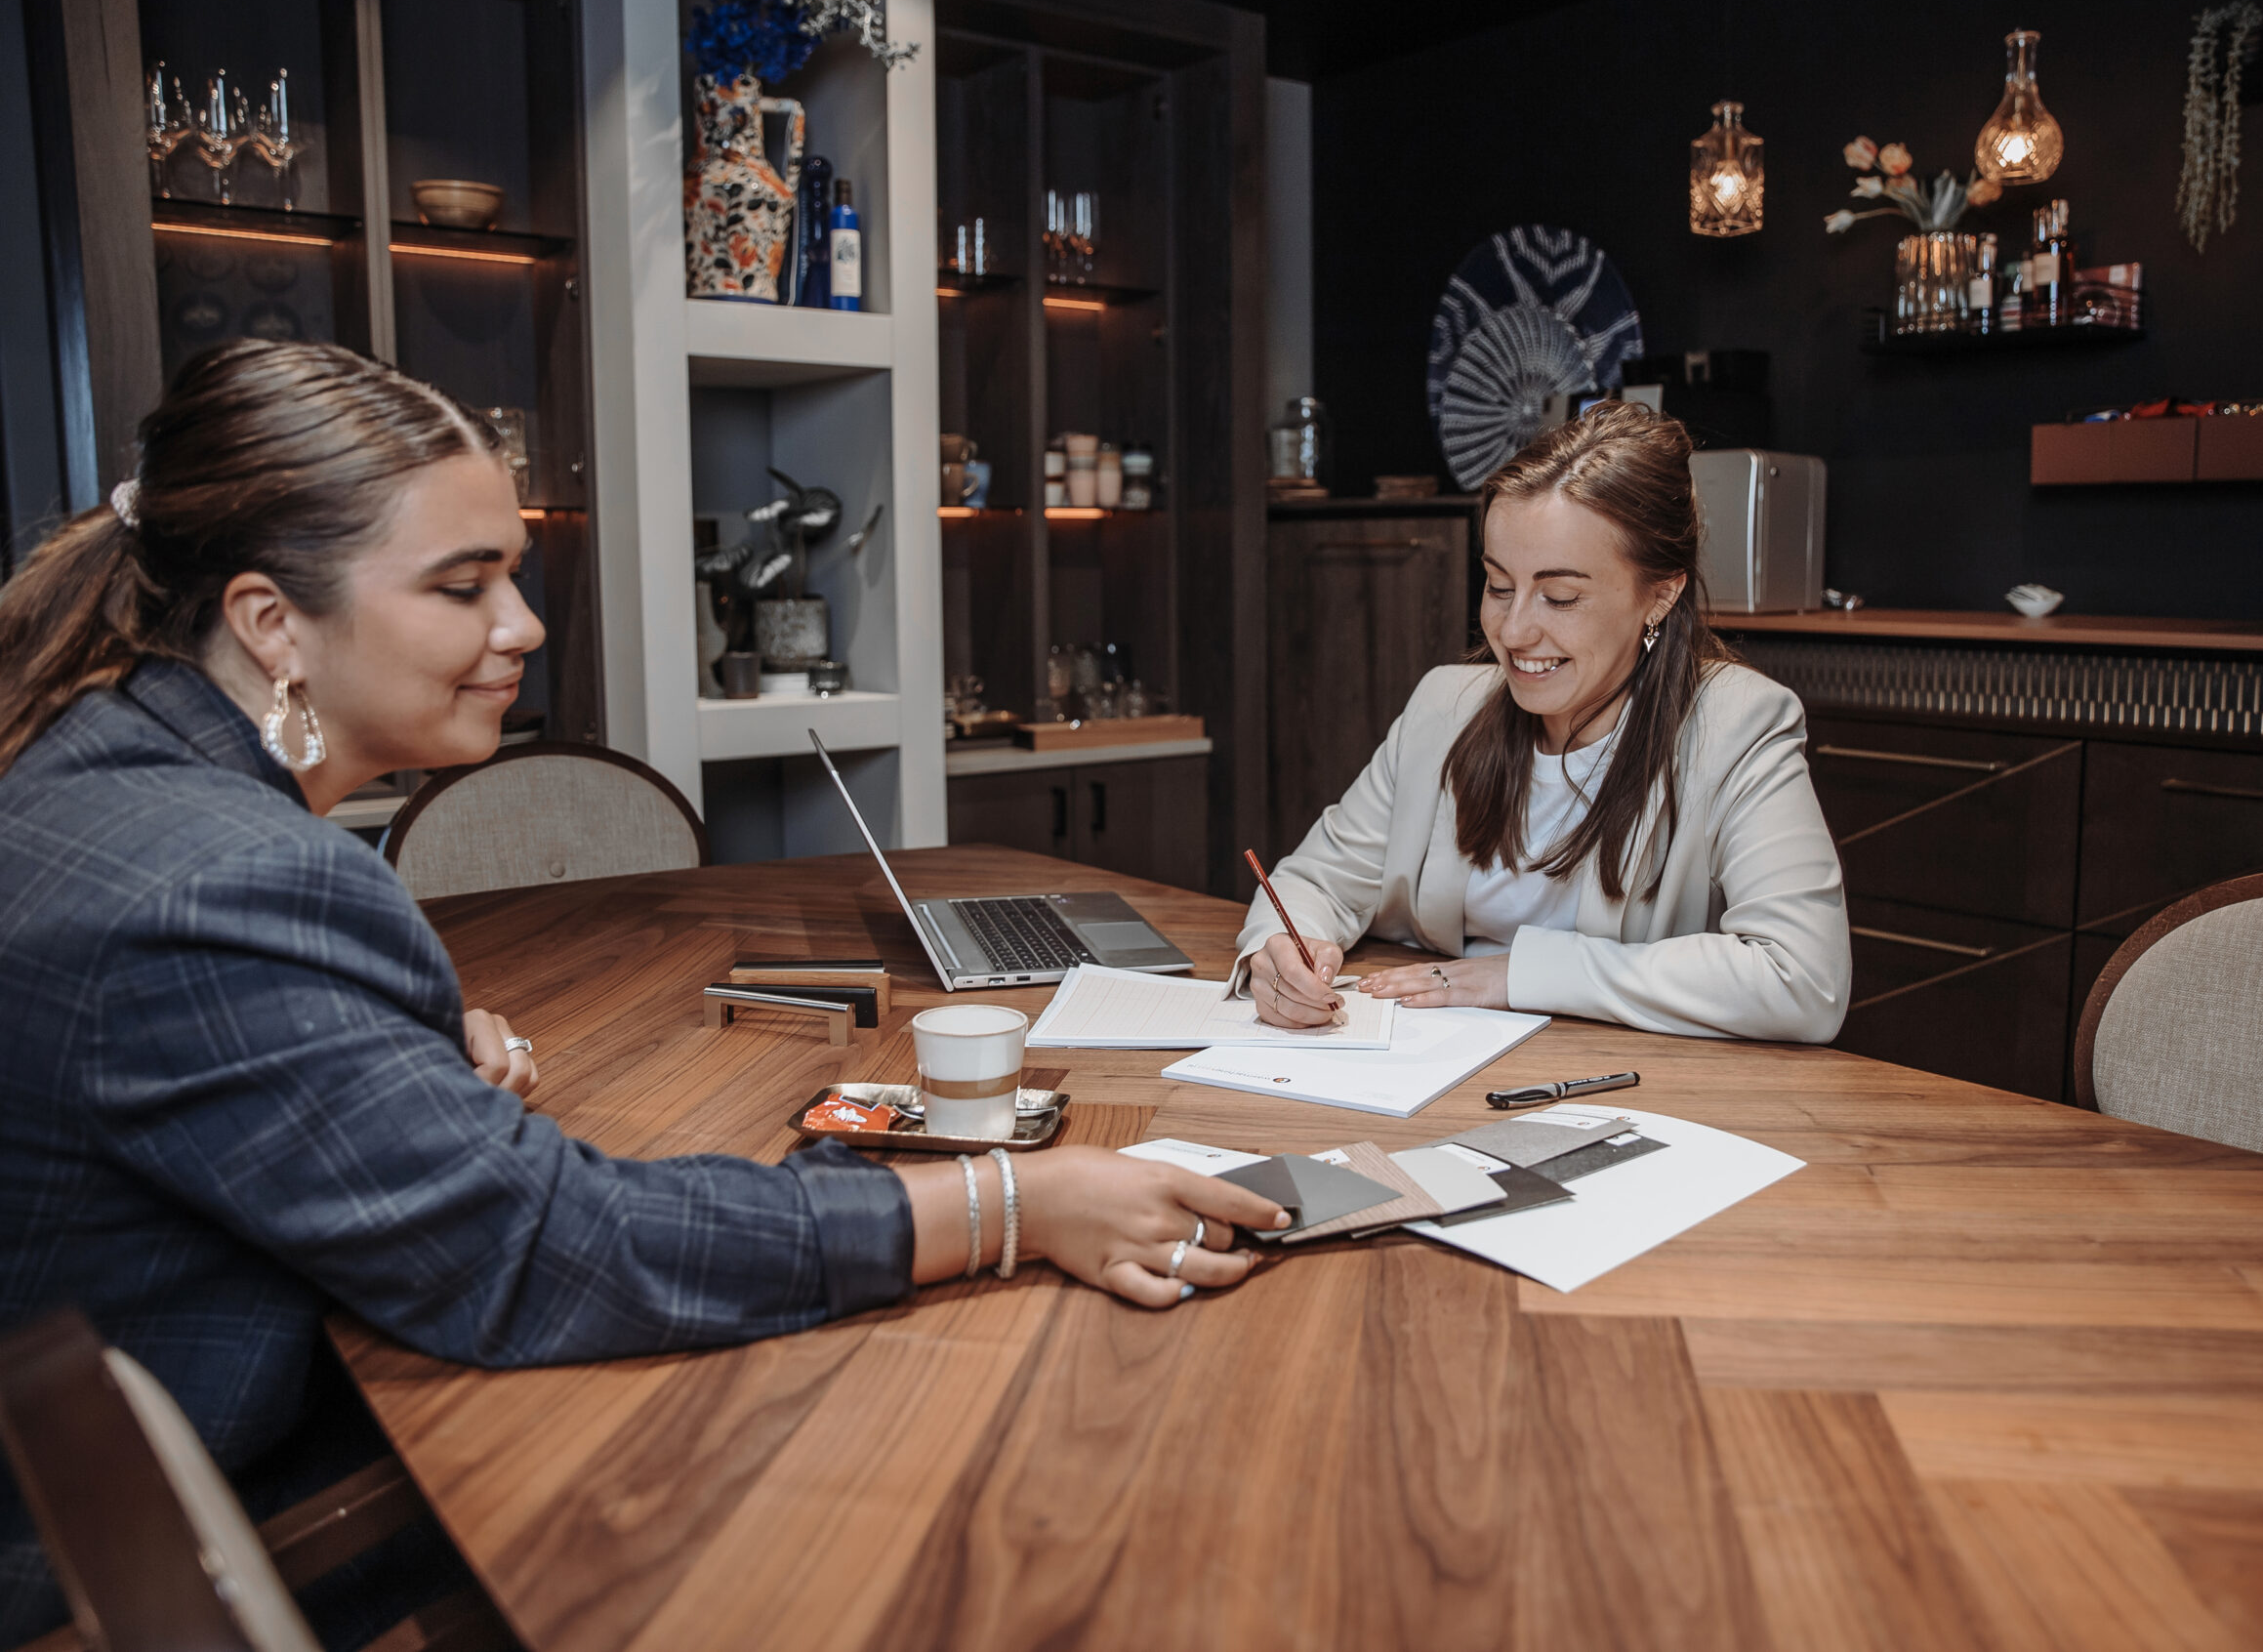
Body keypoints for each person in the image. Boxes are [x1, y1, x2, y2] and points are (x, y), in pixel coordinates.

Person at [0, 342, 1283, 1646]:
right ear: (271, 619)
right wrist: (1016, 1197)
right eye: (464, 585)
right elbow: (546, 1246)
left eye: (511, 571)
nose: (525, 625)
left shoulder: (96, 768)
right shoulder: (228, 881)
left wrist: (374, 1048)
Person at [1240, 402, 1849, 1040]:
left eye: (1560, 597)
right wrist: (1284, 948)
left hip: (1629, 1093)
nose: (1513, 629)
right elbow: (1318, 881)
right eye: (1499, 586)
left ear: (1661, 595)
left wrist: (1516, 976)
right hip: (1421, 1064)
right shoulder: (1444, 706)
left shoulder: (1739, 726)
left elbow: (1803, 976)